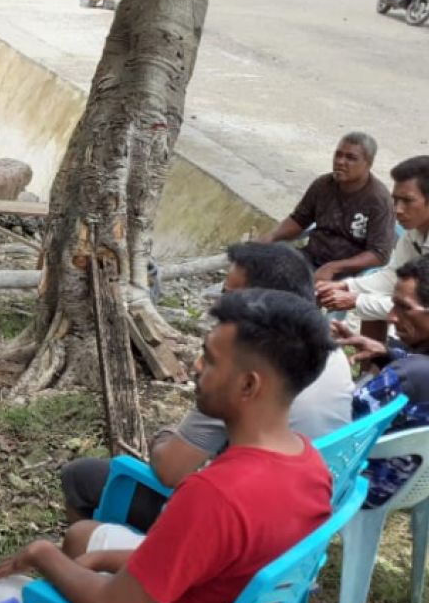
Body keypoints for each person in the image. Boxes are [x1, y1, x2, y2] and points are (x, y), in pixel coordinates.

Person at [0, 289, 336, 603]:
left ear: (249, 385)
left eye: (210, 359)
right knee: (86, 536)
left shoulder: (214, 494)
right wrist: (102, 559)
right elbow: (208, 563)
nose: (196, 366)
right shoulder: (310, 464)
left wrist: (41, 553)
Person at [59, 241, 352, 532]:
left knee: (80, 476)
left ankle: (99, 565)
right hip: (294, 520)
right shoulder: (329, 351)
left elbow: (170, 471)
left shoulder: (240, 378)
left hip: (233, 525)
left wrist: (163, 435)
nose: (217, 306)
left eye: (229, 296)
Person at [335, 256, 429, 510]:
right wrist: (388, 355)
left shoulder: (407, 375)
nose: (391, 317)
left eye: (403, 307)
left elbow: (338, 427)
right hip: (417, 482)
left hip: (367, 486)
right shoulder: (412, 369)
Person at [260, 131, 395, 282]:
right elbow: (299, 219)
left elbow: (379, 254)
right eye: (338, 155)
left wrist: (334, 267)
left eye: (350, 158)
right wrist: (271, 236)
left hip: (346, 274)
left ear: (368, 163)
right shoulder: (323, 185)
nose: (341, 161)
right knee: (262, 266)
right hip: (310, 257)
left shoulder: (379, 200)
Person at [318, 156, 429, 335]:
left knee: (371, 306)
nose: (398, 209)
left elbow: (423, 308)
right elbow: (393, 276)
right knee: (371, 308)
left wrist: (357, 301)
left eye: (408, 201)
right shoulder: (414, 233)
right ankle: (374, 362)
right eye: (396, 200)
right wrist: (347, 287)